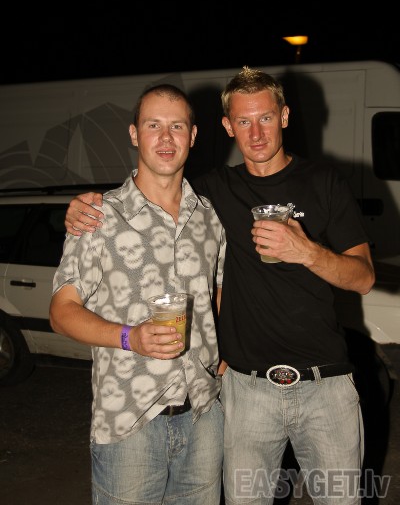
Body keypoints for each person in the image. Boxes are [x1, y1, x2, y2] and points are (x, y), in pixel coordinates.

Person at [64, 67, 375, 505]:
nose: (256, 133)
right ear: (227, 126)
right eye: (243, 121)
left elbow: (364, 278)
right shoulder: (213, 193)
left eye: (265, 118)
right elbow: (157, 181)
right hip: (247, 393)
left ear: (285, 116)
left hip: (326, 387)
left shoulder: (324, 182)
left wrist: (306, 251)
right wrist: (82, 204)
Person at [50, 84, 226, 505]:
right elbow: (61, 312)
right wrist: (131, 337)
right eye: (153, 125)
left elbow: (218, 292)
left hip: (204, 415)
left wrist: (223, 352)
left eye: (177, 126)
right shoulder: (98, 217)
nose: (165, 138)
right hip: (130, 421)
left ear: (193, 136)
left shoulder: (210, 218)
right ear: (134, 134)